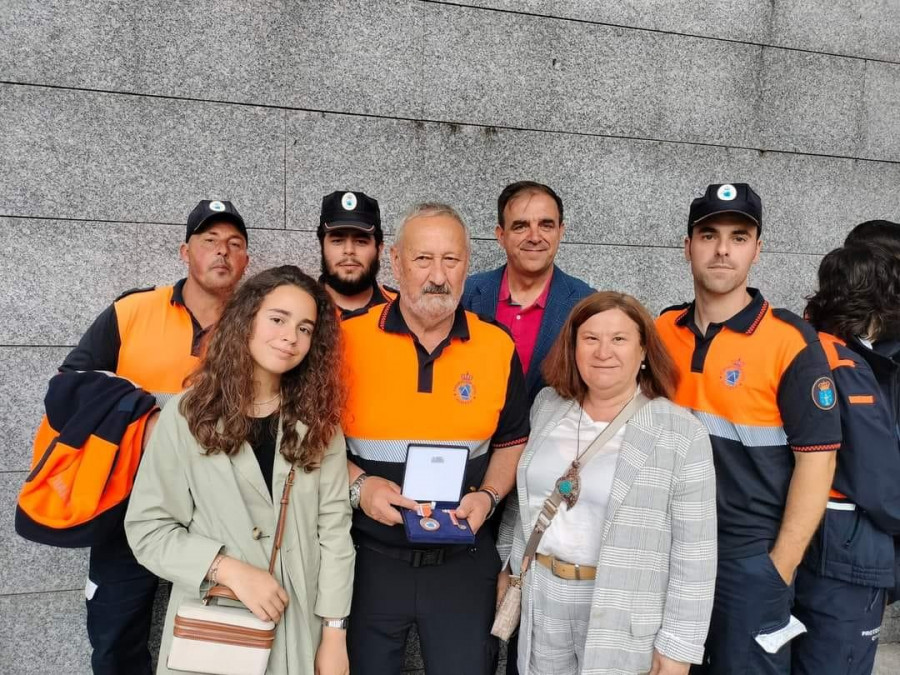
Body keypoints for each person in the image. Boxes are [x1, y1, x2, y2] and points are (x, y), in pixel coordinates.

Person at [124, 265, 354, 675]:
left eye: (305, 328)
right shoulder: (187, 414)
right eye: (278, 319)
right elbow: (148, 528)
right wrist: (227, 567)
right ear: (247, 319)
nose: (290, 337)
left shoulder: (319, 423)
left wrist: (334, 633)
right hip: (215, 626)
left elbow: (334, 532)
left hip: (298, 627)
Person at [656, 183, 842, 675]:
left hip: (747, 558)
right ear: (687, 245)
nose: (722, 249)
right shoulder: (661, 331)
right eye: (708, 234)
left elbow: (818, 460)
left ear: (757, 250)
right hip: (669, 550)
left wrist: (779, 566)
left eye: (739, 237)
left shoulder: (789, 342)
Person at [61, 199, 250, 674]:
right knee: (114, 641)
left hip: (216, 513)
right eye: (210, 242)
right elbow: (70, 388)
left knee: (217, 646)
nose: (222, 253)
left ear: (246, 261)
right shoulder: (132, 310)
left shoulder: (258, 327)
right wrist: (146, 424)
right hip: (128, 504)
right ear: (185, 251)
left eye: (234, 245)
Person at [341, 203, 530, 675]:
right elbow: (313, 444)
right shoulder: (345, 342)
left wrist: (489, 496)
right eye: (423, 259)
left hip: (463, 561)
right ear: (396, 262)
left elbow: (511, 441)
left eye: (451, 260)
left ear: (468, 265)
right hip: (367, 559)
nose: (438, 275)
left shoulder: (496, 346)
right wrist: (360, 487)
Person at [498, 291, 716, 675]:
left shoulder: (680, 431)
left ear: (644, 350)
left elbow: (694, 554)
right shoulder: (548, 405)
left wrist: (679, 647)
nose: (603, 352)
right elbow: (524, 495)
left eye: (619, 339)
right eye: (591, 338)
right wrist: (508, 565)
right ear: (573, 347)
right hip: (542, 594)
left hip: (623, 608)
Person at [791, 245, 900, 675]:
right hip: (847, 555)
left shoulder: (802, 342)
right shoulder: (845, 365)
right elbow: (881, 482)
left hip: (811, 543)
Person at [463, 181, 593, 404]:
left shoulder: (587, 304)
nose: (534, 237)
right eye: (521, 226)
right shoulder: (465, 294)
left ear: (560, 232)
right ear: (501, 235)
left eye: (546, 225)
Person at [318, 190, 394, 319]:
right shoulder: (299, 309)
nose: (349, 250)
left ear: (379, 250)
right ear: (322, 247)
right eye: (337, 241)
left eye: (361, 241)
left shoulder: (402, 311)